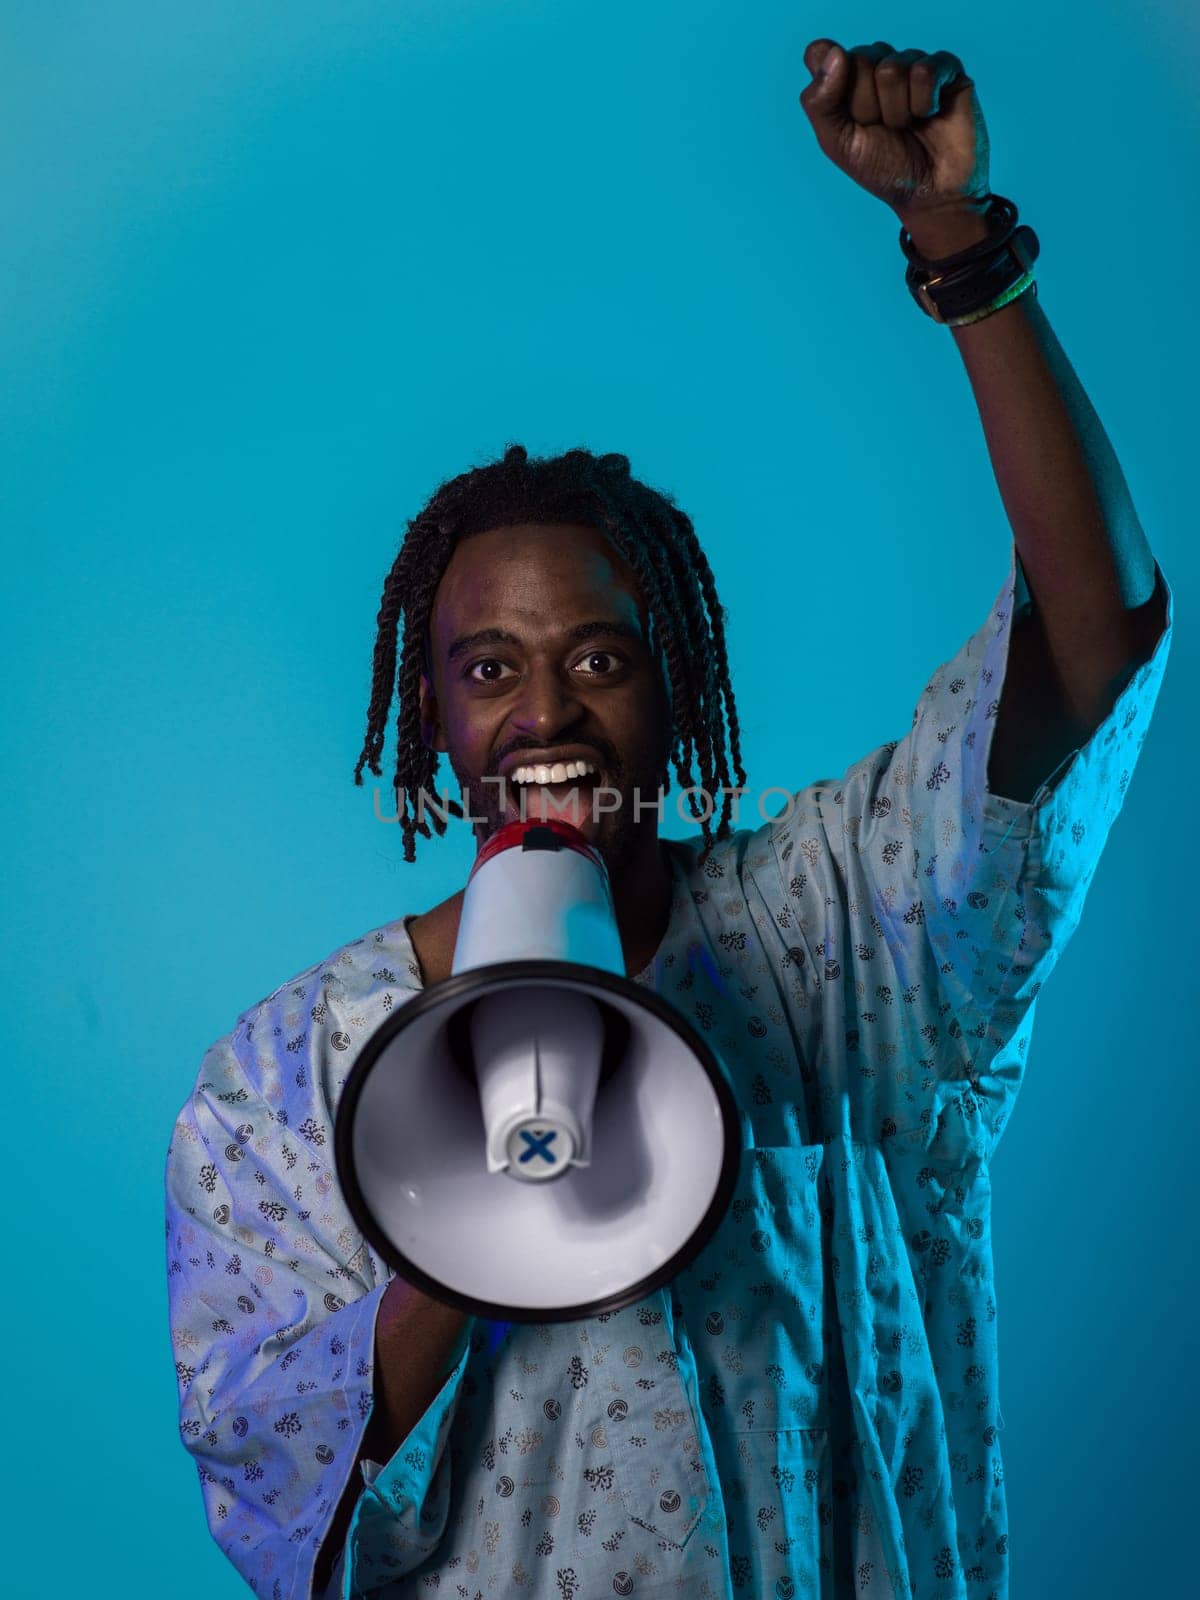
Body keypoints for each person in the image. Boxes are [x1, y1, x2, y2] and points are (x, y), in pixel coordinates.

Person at [165, 36, 1173, 1600]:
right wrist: (470, 1211)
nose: (546, 714)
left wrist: (961, 250)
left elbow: (1091, 641)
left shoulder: (837, 925)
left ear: (675, 696)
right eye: (487, 668)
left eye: (603, 658)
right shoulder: (279, 1091)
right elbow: (273, 1477)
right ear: (429, 715)